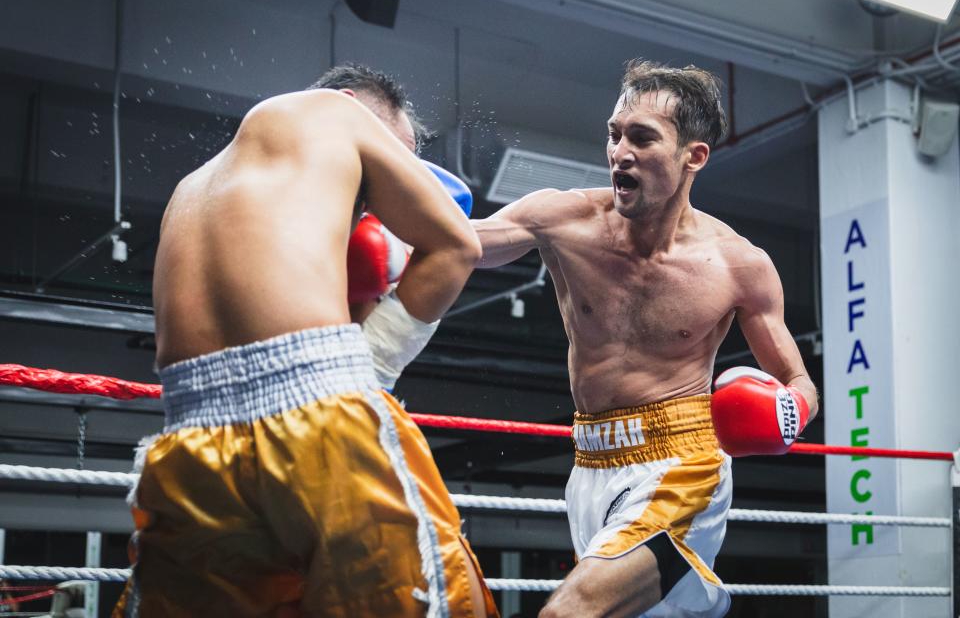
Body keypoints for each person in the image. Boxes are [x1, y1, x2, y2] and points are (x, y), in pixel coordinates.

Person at [113, 65, 497, 617]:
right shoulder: (335, 113)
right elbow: (459, 245)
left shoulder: (192, 188)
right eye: (401, 154)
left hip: (189, 444)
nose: (388, 188)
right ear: (352, 104)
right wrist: (377, 364)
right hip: (320, 421)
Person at [472, 59, 819, 617]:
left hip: (682, 463)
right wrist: (377, 204)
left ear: (693, 157)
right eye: (614, 135)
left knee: (570, 612)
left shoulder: (737, 264)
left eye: (642, 138)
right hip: (589, 464)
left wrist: (787, 413)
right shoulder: (563, 220)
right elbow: (460, 245)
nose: (619, 153)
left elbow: (797, 381)